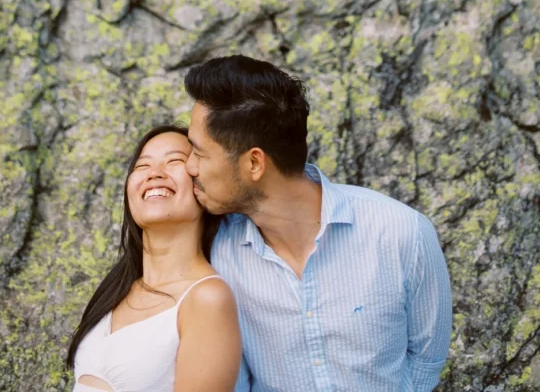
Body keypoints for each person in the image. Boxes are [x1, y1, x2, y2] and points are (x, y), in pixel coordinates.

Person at [184, 56, 452, 392]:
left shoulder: (401, 233)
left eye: (199, 153)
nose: (189, 167)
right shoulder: (218, 256)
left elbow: (427, 360)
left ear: (254, 163)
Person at [67, 125, 241, 392]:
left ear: (203, 187)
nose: (155, 173)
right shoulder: (120, 289)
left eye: (175, 161)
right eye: (142, 165)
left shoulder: (206, 298)